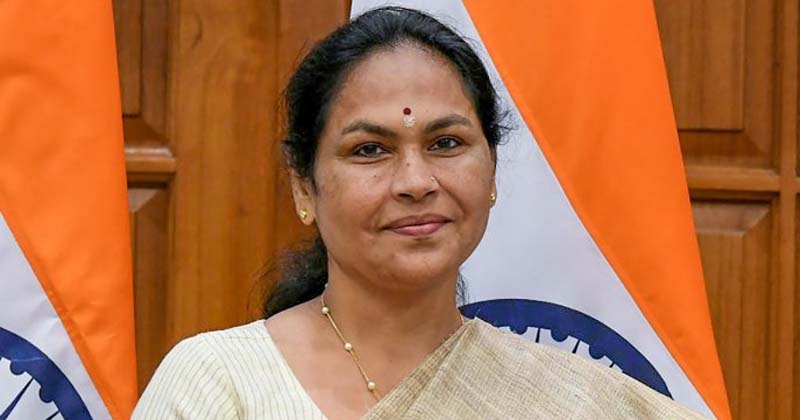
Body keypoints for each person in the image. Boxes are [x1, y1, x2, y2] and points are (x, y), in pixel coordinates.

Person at [132, 7, 708, 420]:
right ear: (303, 188)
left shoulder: (581, 403)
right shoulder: (218, 383)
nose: (415, 182)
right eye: (370, 150)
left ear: (492, 172)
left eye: (446, 143)